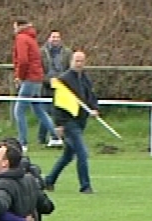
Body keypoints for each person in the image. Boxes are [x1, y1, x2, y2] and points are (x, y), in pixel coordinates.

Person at [43, 51, 100, 194]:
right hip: (69, 122)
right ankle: (85, 186)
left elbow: (90, 96)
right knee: (82, 153)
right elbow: (58, 104)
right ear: (71, 61)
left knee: (68, 156)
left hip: (81, 121)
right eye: (76, 61)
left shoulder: (85, 78)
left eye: (81, 61)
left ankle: (49, 180)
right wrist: (59, 124)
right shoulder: (64, 80)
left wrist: (94, 109)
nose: (79, 63)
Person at [12, 19, 57, 149]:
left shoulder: (21, 38)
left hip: (29, 78)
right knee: (38, 109)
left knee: (19, 110)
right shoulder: (31, 38)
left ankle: (23, 142)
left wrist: (19, 76)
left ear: (19, 26)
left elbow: (23, 60)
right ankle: (55, 136)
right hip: (37, 78)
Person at [38, 29, 72, 147]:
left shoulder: (67, 52)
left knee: (58, 113)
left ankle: (58, 137)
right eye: (53, 37)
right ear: (49, 38)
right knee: (44, 112)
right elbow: (39, 69)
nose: (55, 39)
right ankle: (42, 138)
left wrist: (63, 81)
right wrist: (47, 80)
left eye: (57, 37)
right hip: (46, 86)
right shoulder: (41, 52)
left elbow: (69, 68)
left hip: (61, 86)